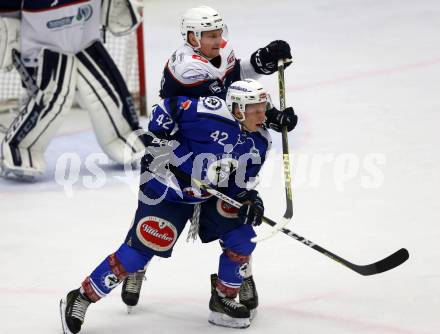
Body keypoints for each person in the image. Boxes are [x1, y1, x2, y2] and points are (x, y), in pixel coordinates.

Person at [59, 79, 298, 332]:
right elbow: (167, 107)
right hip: (167, 188)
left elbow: (240, 185)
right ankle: (81, 296)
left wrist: (250, 201)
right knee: (141, 249)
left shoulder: (260, 142)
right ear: (238, 108)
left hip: (209, 194)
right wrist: (158, 139)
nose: (263, 116)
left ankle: (223, 298)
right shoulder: (209, 112)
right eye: (256, 110)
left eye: (264, 108)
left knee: (242, 236)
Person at [121, 5, 294, 318]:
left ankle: (240, 276)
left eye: (218, 33)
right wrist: (269, 114)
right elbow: (227, 105)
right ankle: (138, 262)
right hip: (177, 156)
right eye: (209, 35)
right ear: (191, 37)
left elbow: (235, 79)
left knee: (238, 213)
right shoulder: (186, 67)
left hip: (213, 152)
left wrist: (260, 61)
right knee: (156, 219)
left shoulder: (217, 53)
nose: (218, 39)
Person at [0, 0, 145, 179]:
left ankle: (124, 137)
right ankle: (18, 147)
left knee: (107, 92)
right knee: (52, 98)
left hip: (85, 39)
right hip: (44, 48)